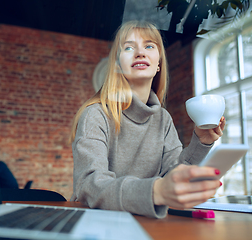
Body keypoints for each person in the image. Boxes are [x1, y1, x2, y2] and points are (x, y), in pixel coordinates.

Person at [69, 21, 226, 218]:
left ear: (159, 63)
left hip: (147, 222)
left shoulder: (163, 119)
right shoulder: (96, 114)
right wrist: (156, 191)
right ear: (118, 65)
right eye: (128, 47)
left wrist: (201, 142)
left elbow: (173, 176)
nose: (140, 52)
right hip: (95, 222)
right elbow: (90, 185)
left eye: (149, 46)